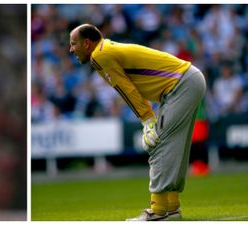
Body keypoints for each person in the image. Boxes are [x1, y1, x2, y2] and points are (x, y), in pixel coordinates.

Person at [69, 24, 206, 221]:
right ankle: (172, 207)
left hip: (181, 84)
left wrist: (147, 121)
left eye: (74, 44)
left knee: (157, 144)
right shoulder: (106, 49)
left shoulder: (99, 56)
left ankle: (158, 210)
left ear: (87, 43)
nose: (71, 49)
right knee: (176, 145)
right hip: (188, 79)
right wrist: (148, 118)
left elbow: (126, 90)